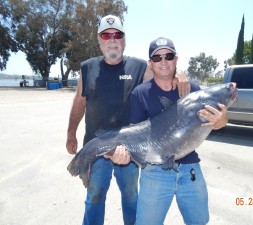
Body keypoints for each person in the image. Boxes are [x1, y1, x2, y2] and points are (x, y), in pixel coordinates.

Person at [66, 15, 190, 225]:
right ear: (99, 39)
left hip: (130, 150)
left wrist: (180, 73)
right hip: (96, 150)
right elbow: (79, 102)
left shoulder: (141, 67)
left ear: (124, 40)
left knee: (132, 199)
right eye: (106, 35)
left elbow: (164, 71)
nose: (112, 39)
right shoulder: (87, 68)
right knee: (94, 200)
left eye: (117, 35)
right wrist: (71, 133)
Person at [130, 37, 228, 225]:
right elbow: (136, 135)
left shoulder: (194, 90)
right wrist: (124, 153)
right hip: (154, 171)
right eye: (157, 58)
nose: (163, 61)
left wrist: (222, 120)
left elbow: (217, 123)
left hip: (190, 168)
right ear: (150, 64)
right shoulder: (140, 94)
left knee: (199, 221)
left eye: (168, 56)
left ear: (176, 59)